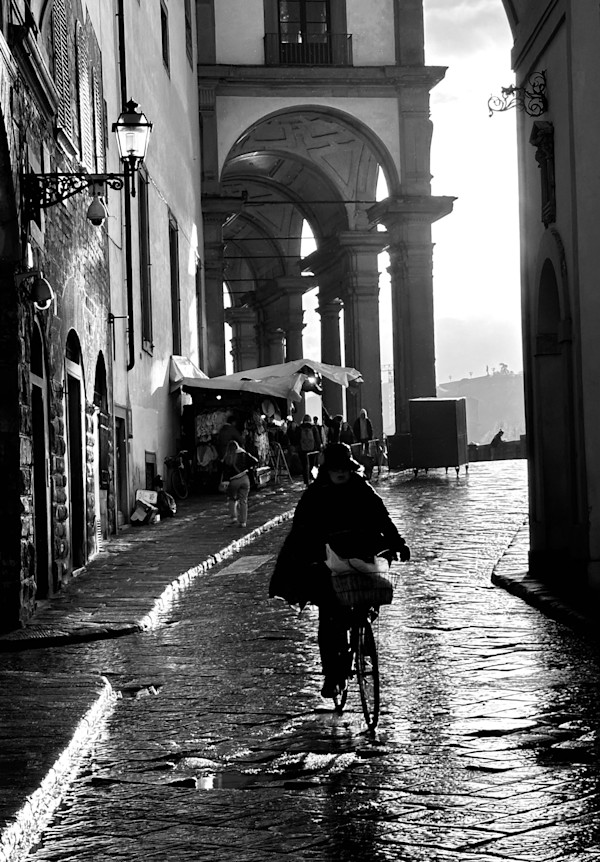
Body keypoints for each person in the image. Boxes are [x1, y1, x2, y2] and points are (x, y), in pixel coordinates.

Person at [269, 443, 410, 698]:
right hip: (326, 561)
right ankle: (333, 675)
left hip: (362, 554)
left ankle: (362, 632)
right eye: (335, 469)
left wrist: (398, 543)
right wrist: (307, 557)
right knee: (329, 618)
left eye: (345, 467)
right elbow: (301, 530)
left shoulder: (363, 489)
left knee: (370, 593)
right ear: (327, 470)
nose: (341, 473)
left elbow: (383, 518)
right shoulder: (314, 494)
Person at [221, 440, 258, 528]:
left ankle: (233, 517)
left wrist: (225, 483)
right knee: (243, 501)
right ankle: (243, 522)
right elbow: (255, 461)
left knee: (232, 499)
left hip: (233, 481)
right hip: (245, 479)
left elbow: (225, 471)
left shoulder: (227, 457)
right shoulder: (243, 454)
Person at [298, 413, 322, 484]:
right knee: (312, 464)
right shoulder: (313, 427)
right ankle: (311, 478)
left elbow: (297, 439)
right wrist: (319, 448)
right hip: (312, 449)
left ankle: (306, 481)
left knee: (304, 465)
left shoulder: (300, 428)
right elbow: (317, 438)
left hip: (302, 450)